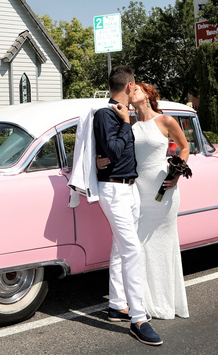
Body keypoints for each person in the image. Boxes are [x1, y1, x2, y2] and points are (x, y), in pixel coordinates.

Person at [101, 82, 190, 320]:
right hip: (138, 191)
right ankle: (142, 300)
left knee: (163, 242)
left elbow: (184, 147)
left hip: (164, 188)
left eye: (138, 89)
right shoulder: (128, 122)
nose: (133, 92)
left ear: (148, 95)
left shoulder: (165, 121)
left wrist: (177, 173)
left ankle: (163, 299)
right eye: (131, 90)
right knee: (138, 245)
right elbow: (117, 150)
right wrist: (102, 161)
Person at [93, 66, 163, 346]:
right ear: (130, 85)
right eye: (135, 86)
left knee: (119, 249)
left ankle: (117, 304)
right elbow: (112, 150)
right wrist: (124, 123)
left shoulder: (125, 116)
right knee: (132, 249)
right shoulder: (105, 114)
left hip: (130, 188)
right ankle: (138, 319)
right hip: (113, 189)